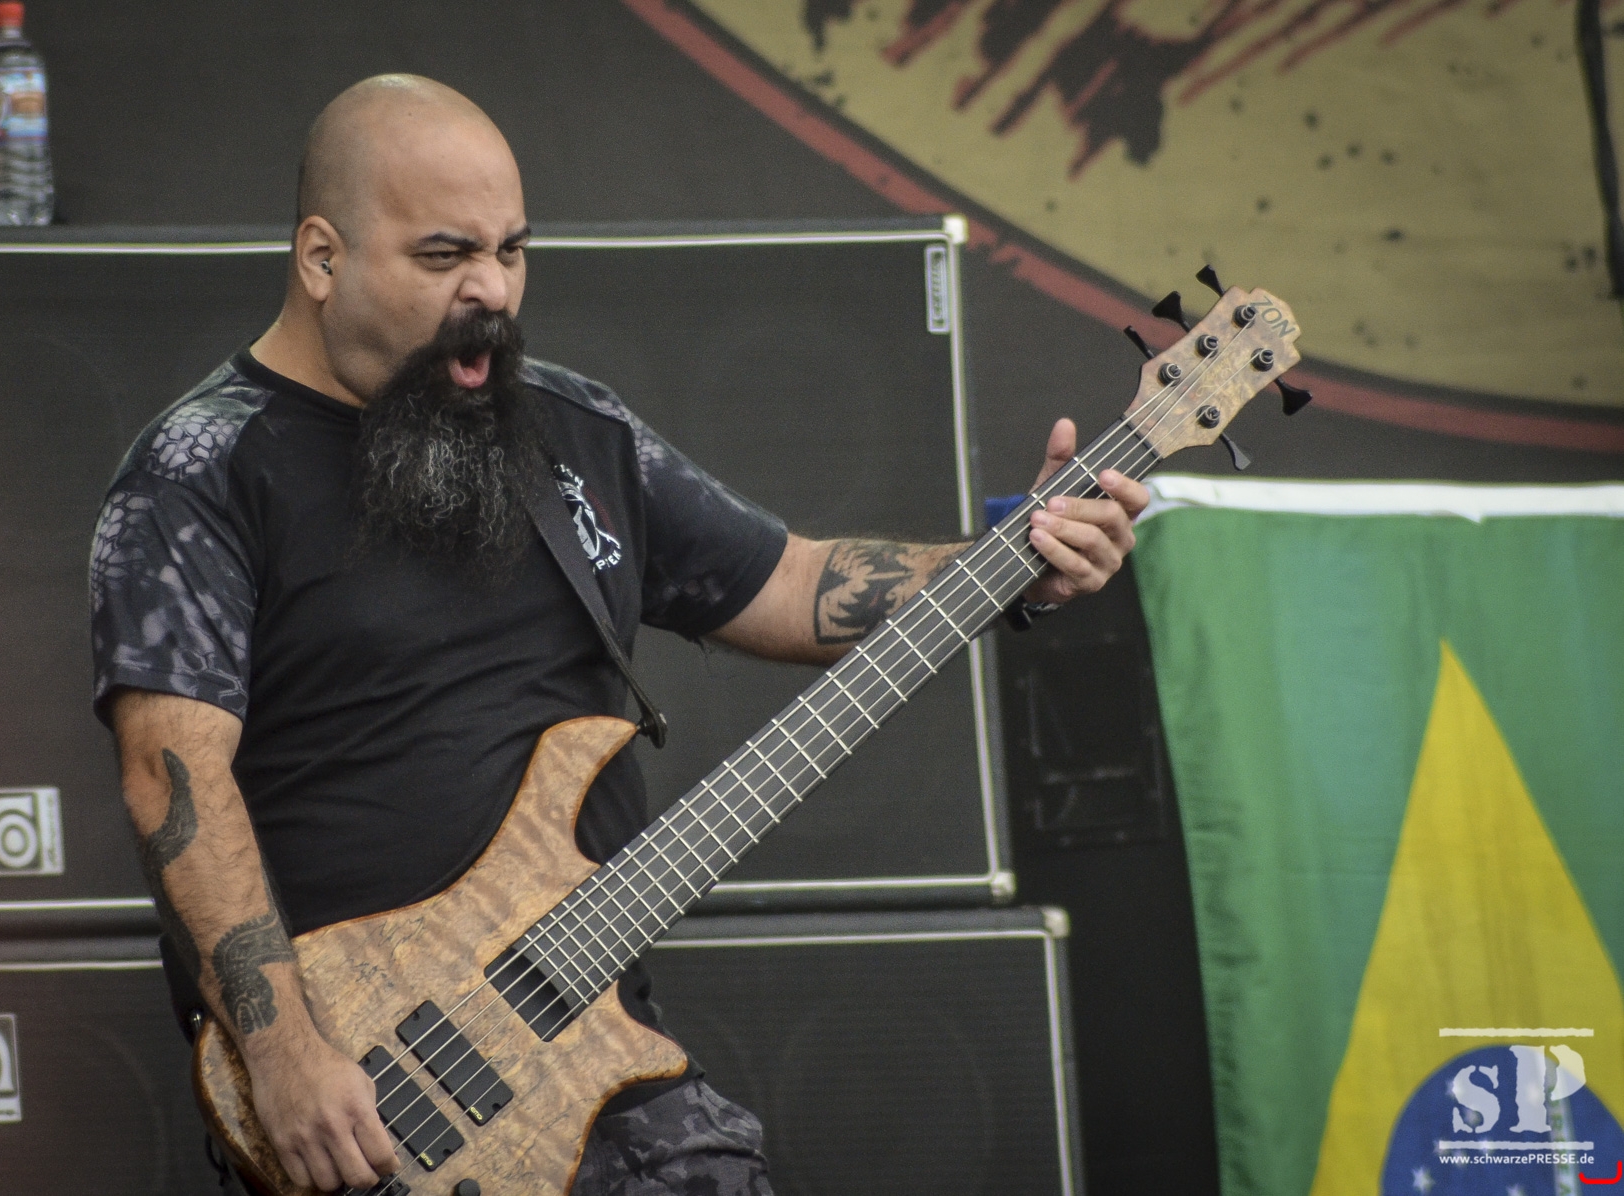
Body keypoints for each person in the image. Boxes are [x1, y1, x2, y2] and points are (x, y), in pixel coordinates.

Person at [89, 74, 1147, 1195]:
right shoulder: (199, 471)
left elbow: (793, 583)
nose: (492, 289)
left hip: (598, 1065)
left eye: (511, 250)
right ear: (321, 257)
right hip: (367, 1094)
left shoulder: (569, 431)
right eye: (445, 256)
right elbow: (172, 774)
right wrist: (284, 1051)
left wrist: (1016, 561)